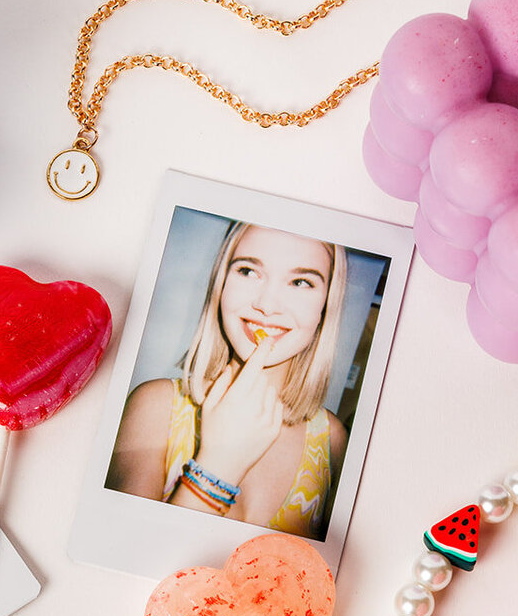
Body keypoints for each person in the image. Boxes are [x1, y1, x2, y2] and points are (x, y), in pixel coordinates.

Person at [106, 222, 350, 538]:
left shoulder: (332, 441)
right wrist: (218, 466)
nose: (267, 305)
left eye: (301, 282)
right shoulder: (154, 405)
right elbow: (121, 555)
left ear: (326, 305)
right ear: (220, 284)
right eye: (248, 271)